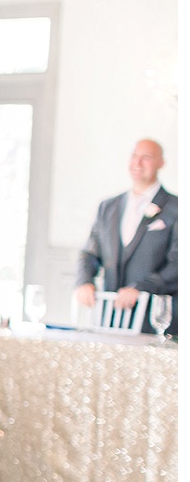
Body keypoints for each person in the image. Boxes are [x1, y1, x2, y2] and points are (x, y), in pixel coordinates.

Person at [75, 138, 178, 336]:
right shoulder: (108, 207)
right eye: (134, 156)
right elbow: (90, 252)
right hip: (109, 320)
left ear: (161, 163)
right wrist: (84, 281)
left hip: (156, 323)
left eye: (146, 157)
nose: (137, 163)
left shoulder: (177, 208)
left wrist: (141, 288)